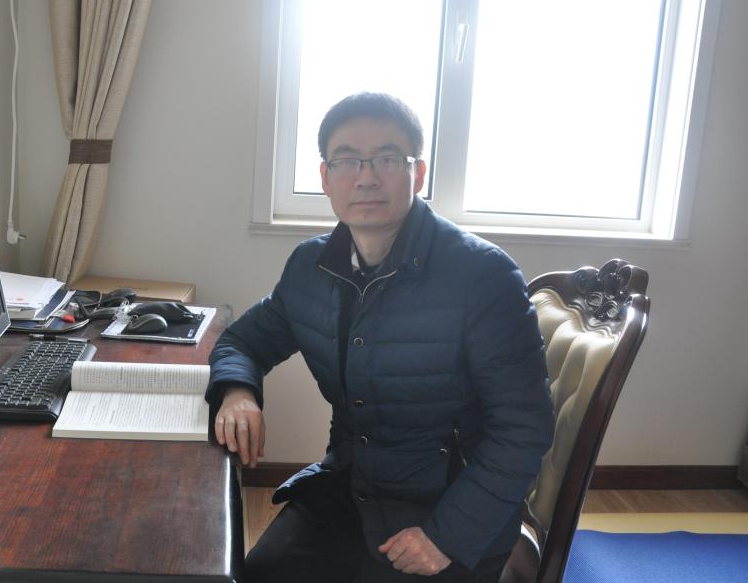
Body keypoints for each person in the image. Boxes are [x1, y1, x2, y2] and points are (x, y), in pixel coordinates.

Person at [206, 92, 555, 582]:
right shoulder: (310, 266)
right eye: (347, 160)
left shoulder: (482, 276)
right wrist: (238, 392)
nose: (366, 177)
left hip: (447, 514)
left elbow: (524, 428)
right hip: (348, 489)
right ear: (325, 177)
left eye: (387, 159)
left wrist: (446, 536)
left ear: (418, 173)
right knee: (248, 575)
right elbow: (243, 341)